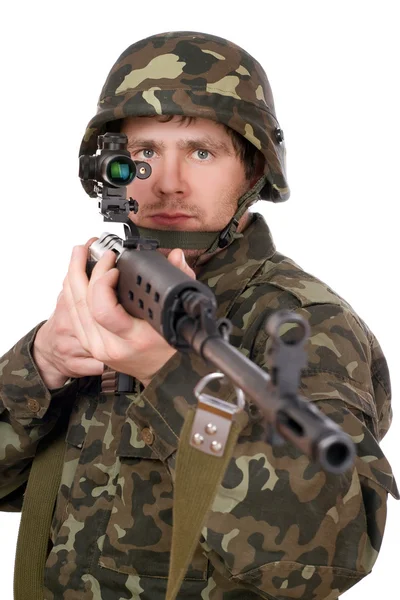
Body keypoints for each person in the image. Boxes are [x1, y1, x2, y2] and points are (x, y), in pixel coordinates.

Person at [0, 30, 398, 600]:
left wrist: (173, 375)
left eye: (201, 152)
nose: (168, 183)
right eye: (144, 154)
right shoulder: (104, 297)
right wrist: (42, 362)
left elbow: (326, 555)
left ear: (253, 169)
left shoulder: (301, 321)